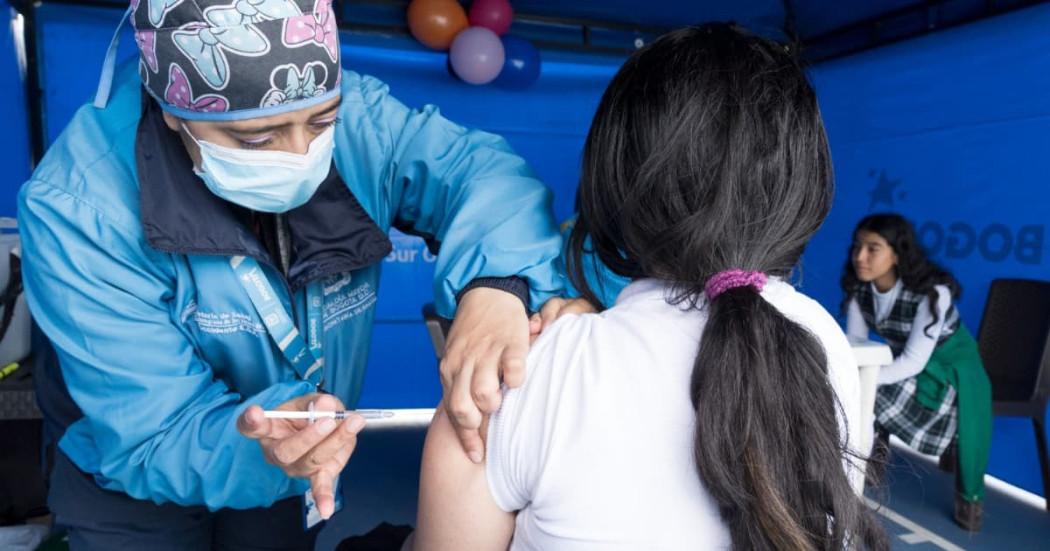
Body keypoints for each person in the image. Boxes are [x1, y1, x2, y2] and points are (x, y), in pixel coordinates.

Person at [19, 0, 573, 547]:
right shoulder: (79, 206)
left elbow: (485, 175)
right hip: (132, 489)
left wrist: (497, 286)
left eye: (321, 122)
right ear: (174, 113)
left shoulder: (360, 122)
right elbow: (151, 428)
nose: (301, 153)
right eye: (257, 140)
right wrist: (262, 443)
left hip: (294, 463)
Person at [409, 23, 887, 550]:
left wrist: (563, 349)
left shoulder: (530, 374)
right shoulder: (824, 344)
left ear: (613, 175)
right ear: (803, 183)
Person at [843, 213, 992, 531]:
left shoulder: (932, 293)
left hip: (952, 373)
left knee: (869, 389)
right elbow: (857, 347)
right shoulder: (860, 289)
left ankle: (860, 465)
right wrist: (850, 377)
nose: (860, 257)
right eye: (858, 247)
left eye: (873, 249)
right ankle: (861, 463)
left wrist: (859, 381)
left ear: (897, 254)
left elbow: (913, 363)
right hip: (909, 364)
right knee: (857, 385)